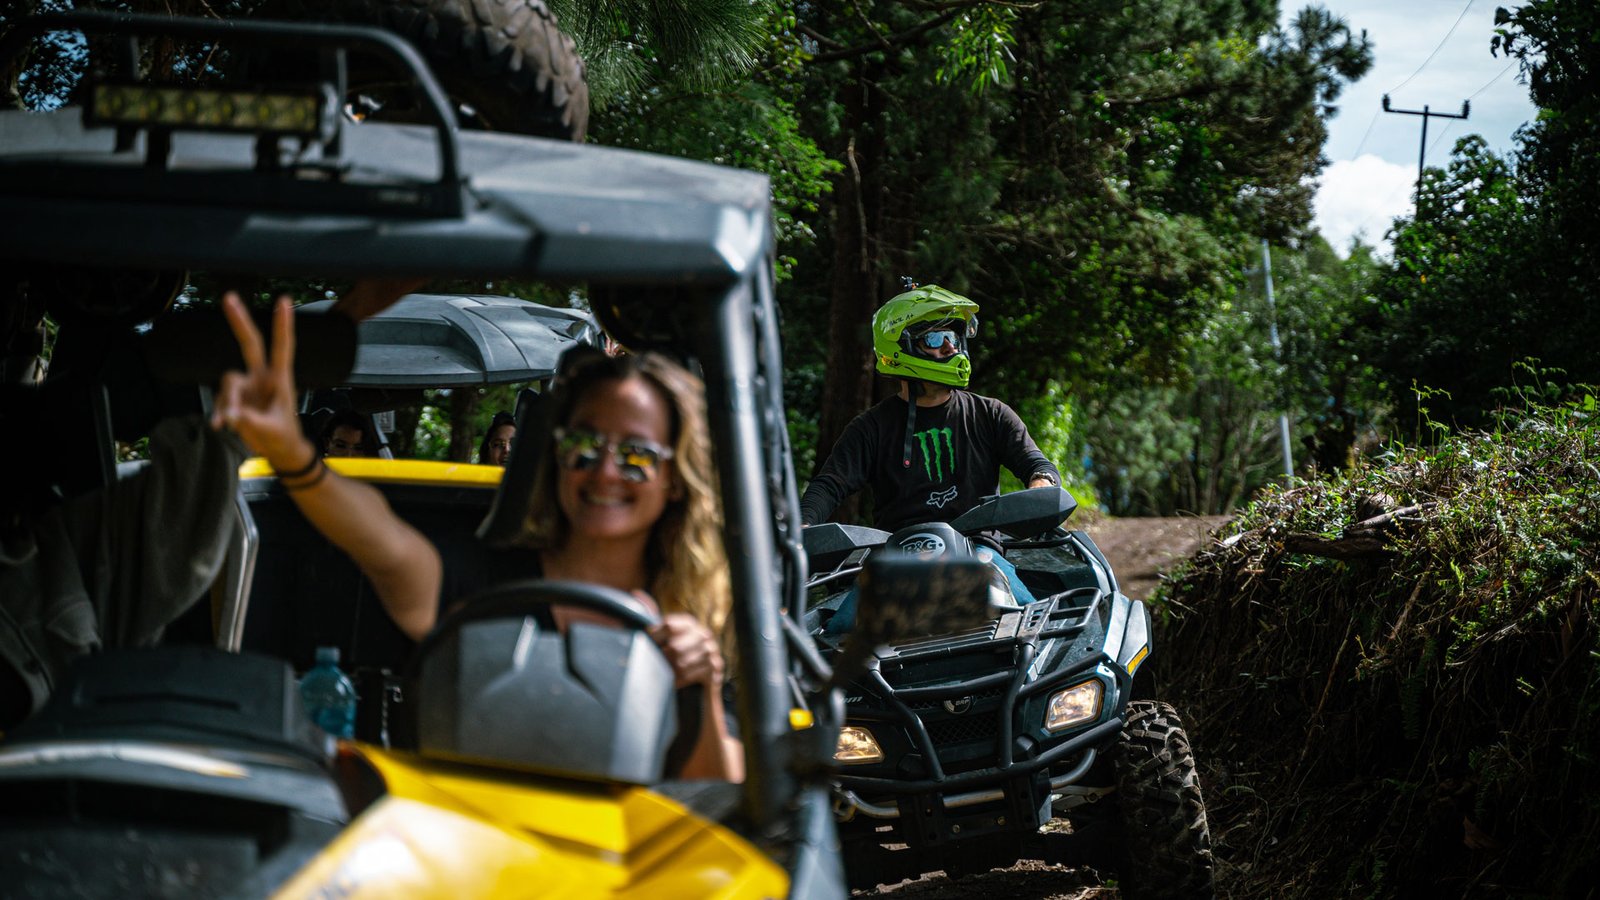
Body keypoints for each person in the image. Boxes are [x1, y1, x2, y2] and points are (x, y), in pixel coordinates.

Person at [221, 304, 742, 782]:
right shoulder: (487, 580)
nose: (605, 471)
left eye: (636, 455)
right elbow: (385, 544)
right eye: (584, 444)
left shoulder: (703, 609)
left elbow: (720, 791)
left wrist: (702, 688)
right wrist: (292, 456)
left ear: (675, 478)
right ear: (556, 455)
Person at [799, 283, 1061, 634]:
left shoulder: (991, 414)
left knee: (1036, 627)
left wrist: (1041, 487)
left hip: (980, 553)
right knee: (838, 637)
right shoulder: (870, 428)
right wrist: (801, 528)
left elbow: (1036, 464)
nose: (951, 347)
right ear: (901, 348)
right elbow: (829, 485)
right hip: (896, 561)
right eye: (936, 339)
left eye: (954, 337)